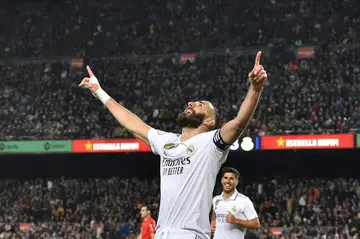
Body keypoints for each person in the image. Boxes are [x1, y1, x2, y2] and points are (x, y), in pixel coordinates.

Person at [79, 51, 267, 239]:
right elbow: (133, 123)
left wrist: (255, 89)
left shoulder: (212, 144)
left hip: (190, 235)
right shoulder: (167, 141)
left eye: (200, 105)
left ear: (209, 122)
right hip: (162, 234)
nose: (191, 103)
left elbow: (239, 122)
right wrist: (99, 92)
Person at [210, 167, 260, 239]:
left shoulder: (244, 200)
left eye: (231, 178)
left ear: (236, 181)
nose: (228, 181)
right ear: (222, 180)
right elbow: (215, 212)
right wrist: (212, 223)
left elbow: (256, 224)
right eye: (225, 178)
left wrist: (236, 220)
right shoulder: (216, 199)